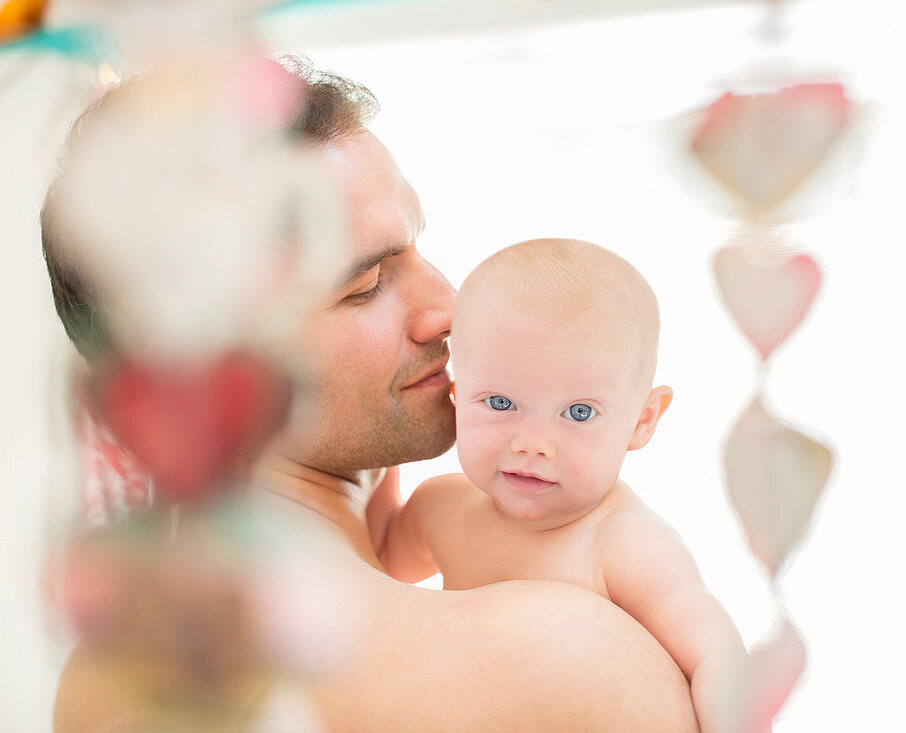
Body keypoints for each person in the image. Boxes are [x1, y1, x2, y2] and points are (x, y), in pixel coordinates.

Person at [43, 60, 698, 730]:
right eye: (365, 285)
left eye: (416, 249)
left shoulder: (102, 681)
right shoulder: (566, 658)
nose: (447, 306)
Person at [374, 238, 754, 732]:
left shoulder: (624, 544)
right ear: (456, 395)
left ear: (642, 420)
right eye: (499, 403)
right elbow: (379, 560)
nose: (533, 444)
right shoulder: (442, 507)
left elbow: (717, 655)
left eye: (578, 412)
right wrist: (381, 451)